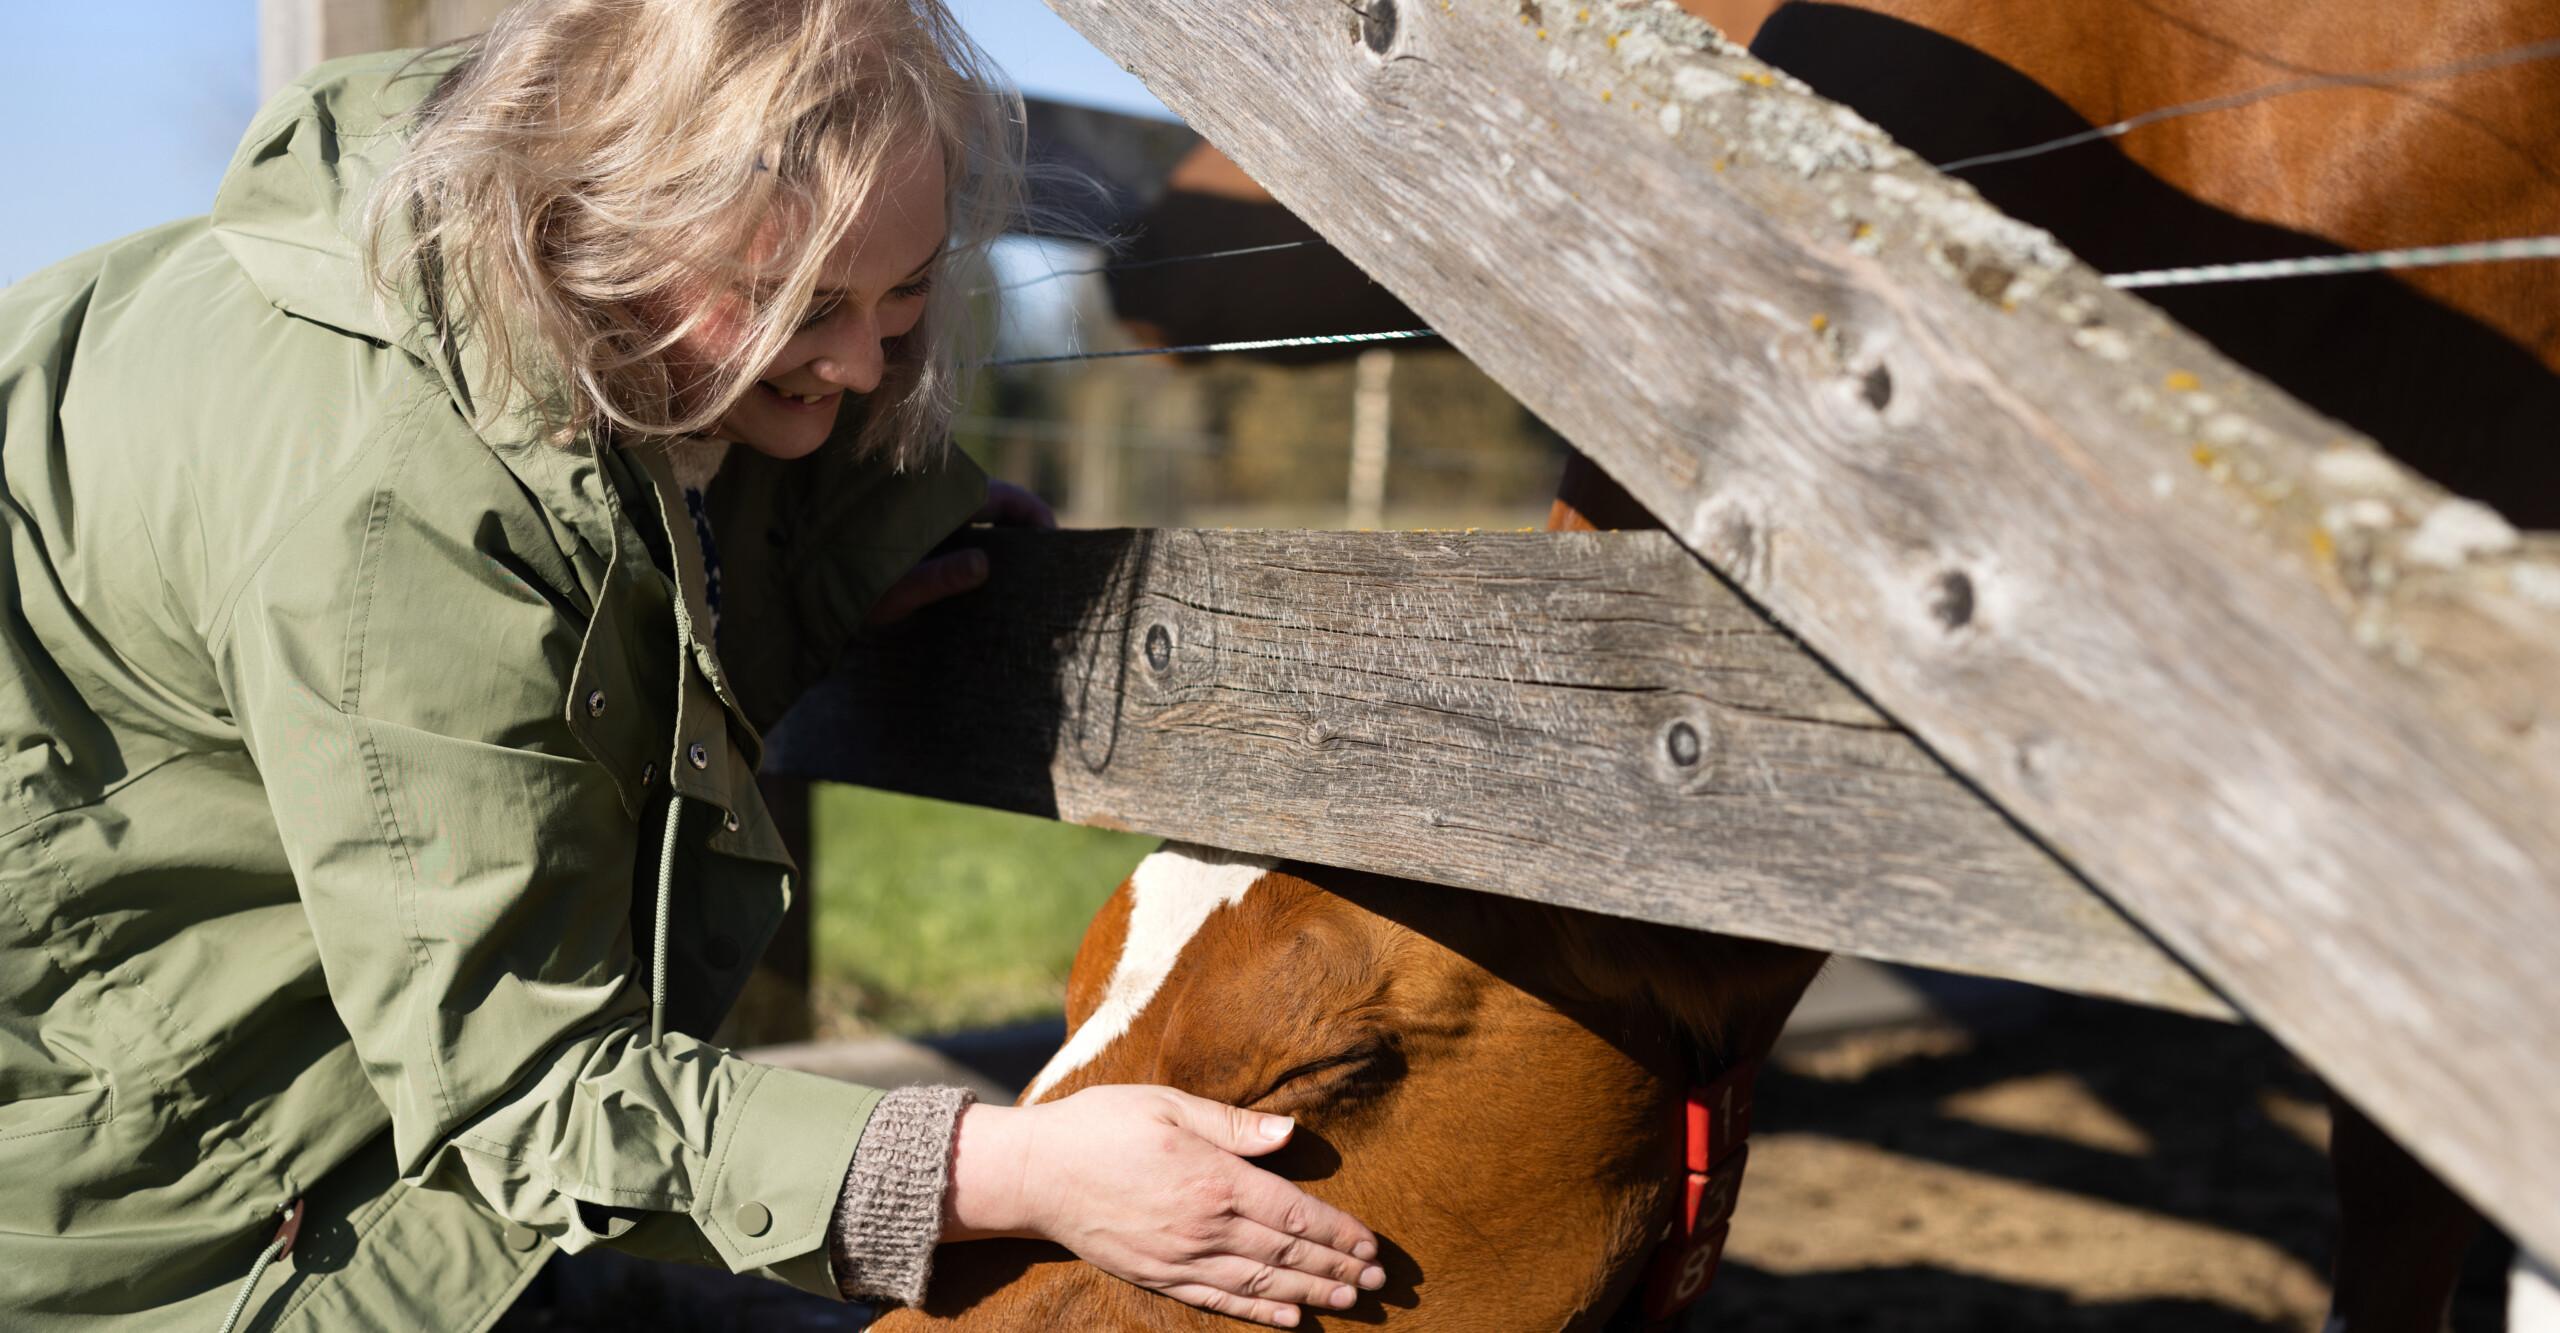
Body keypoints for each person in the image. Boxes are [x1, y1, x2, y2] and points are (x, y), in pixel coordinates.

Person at [0, 1, 1383, 1328]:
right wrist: (1023, 1168)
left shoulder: (540, 257)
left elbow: (624, 534)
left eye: (906, 293)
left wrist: (841, 551)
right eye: (800, 300)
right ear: (620, 219)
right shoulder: (391, 514)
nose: (857, 361)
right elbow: (525, 1084)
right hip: (84, 1058)